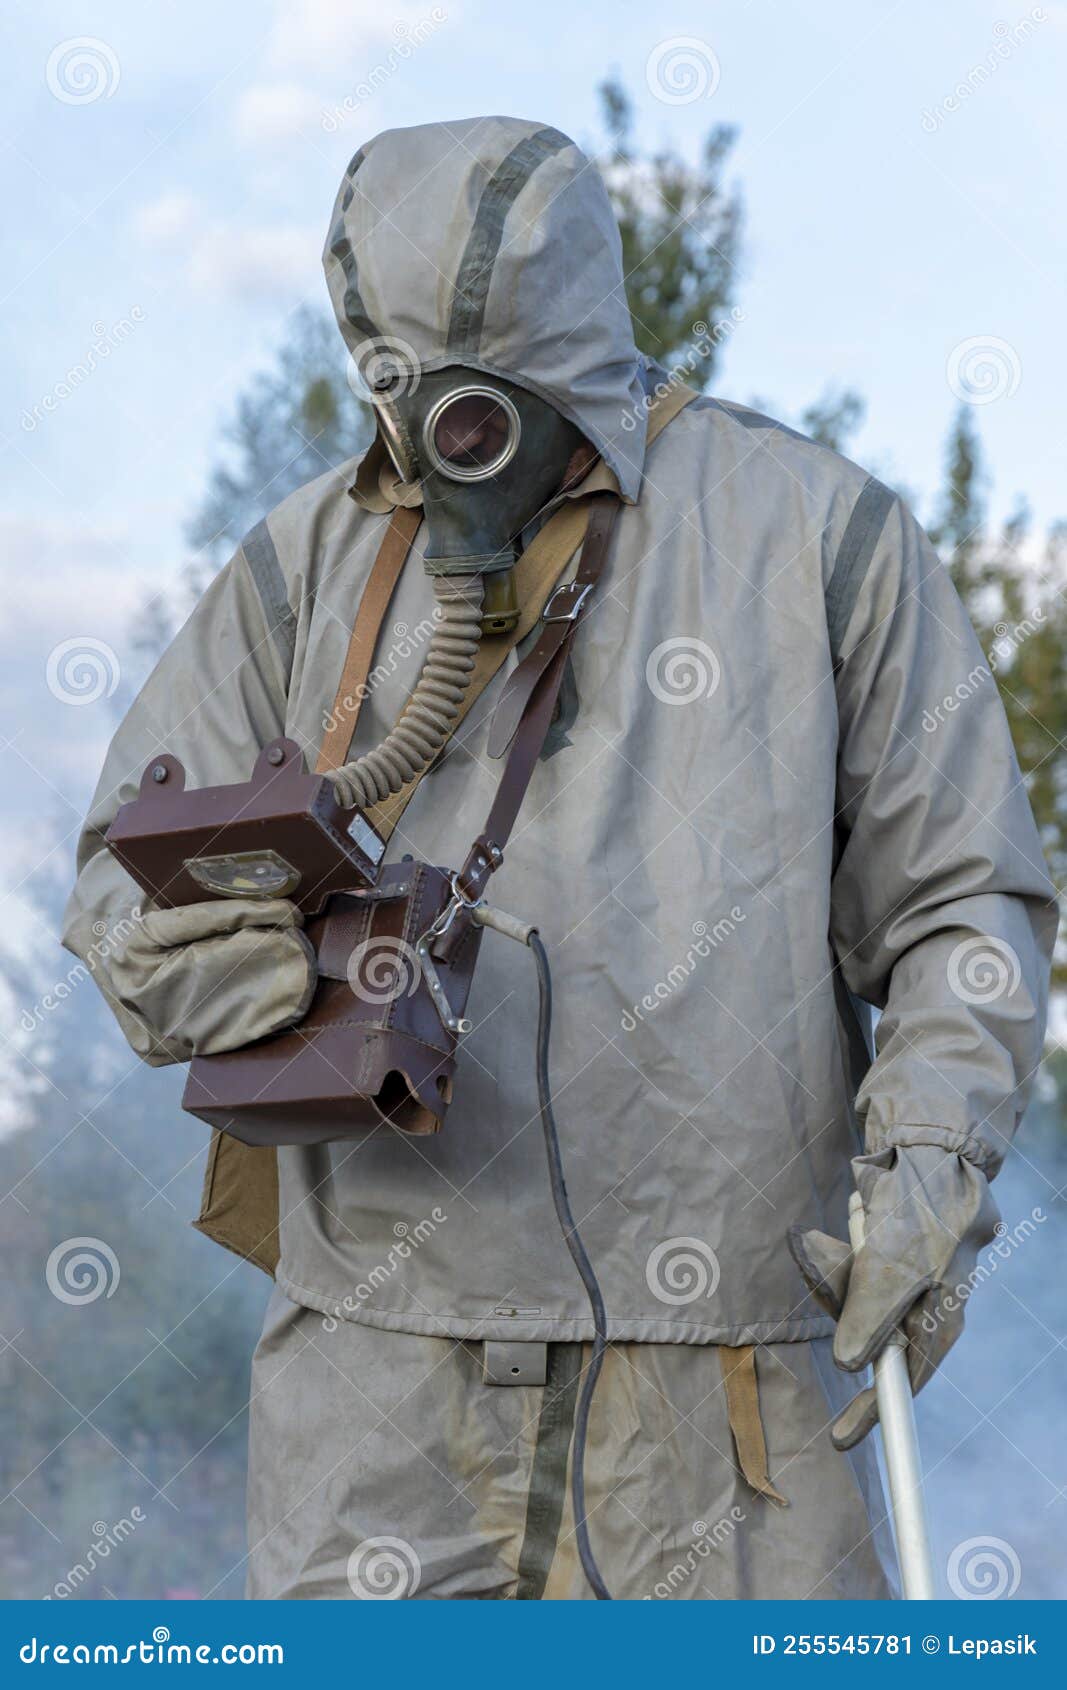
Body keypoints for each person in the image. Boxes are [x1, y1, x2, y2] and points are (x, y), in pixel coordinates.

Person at [64, 115, 1056, 1601]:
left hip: (725, 1394)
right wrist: (191, 964)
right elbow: (121, 882)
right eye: (418, 384)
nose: (466, 431)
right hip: (380, 1389)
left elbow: (962, 899)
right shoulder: (304, 562)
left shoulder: (816, 537)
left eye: (502, 388)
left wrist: (929, 1158)